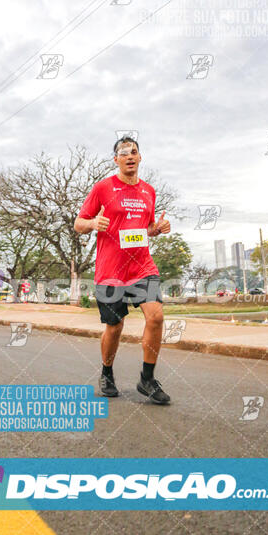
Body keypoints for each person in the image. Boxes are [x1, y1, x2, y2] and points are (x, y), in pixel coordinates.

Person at [74, 136, 171, 404]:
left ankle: (147, 379)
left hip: (142, 266)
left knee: (156, 317)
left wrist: (158, 229)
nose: (129, 156)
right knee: (115, 327)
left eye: (134, 152)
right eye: (123, 152)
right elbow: (78, 223)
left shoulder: (148, 191)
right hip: (111, 270)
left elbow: (147, 229)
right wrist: (94, 223)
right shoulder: (103, 188)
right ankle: (106, 373)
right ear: (115, 159)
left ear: (140, 158)